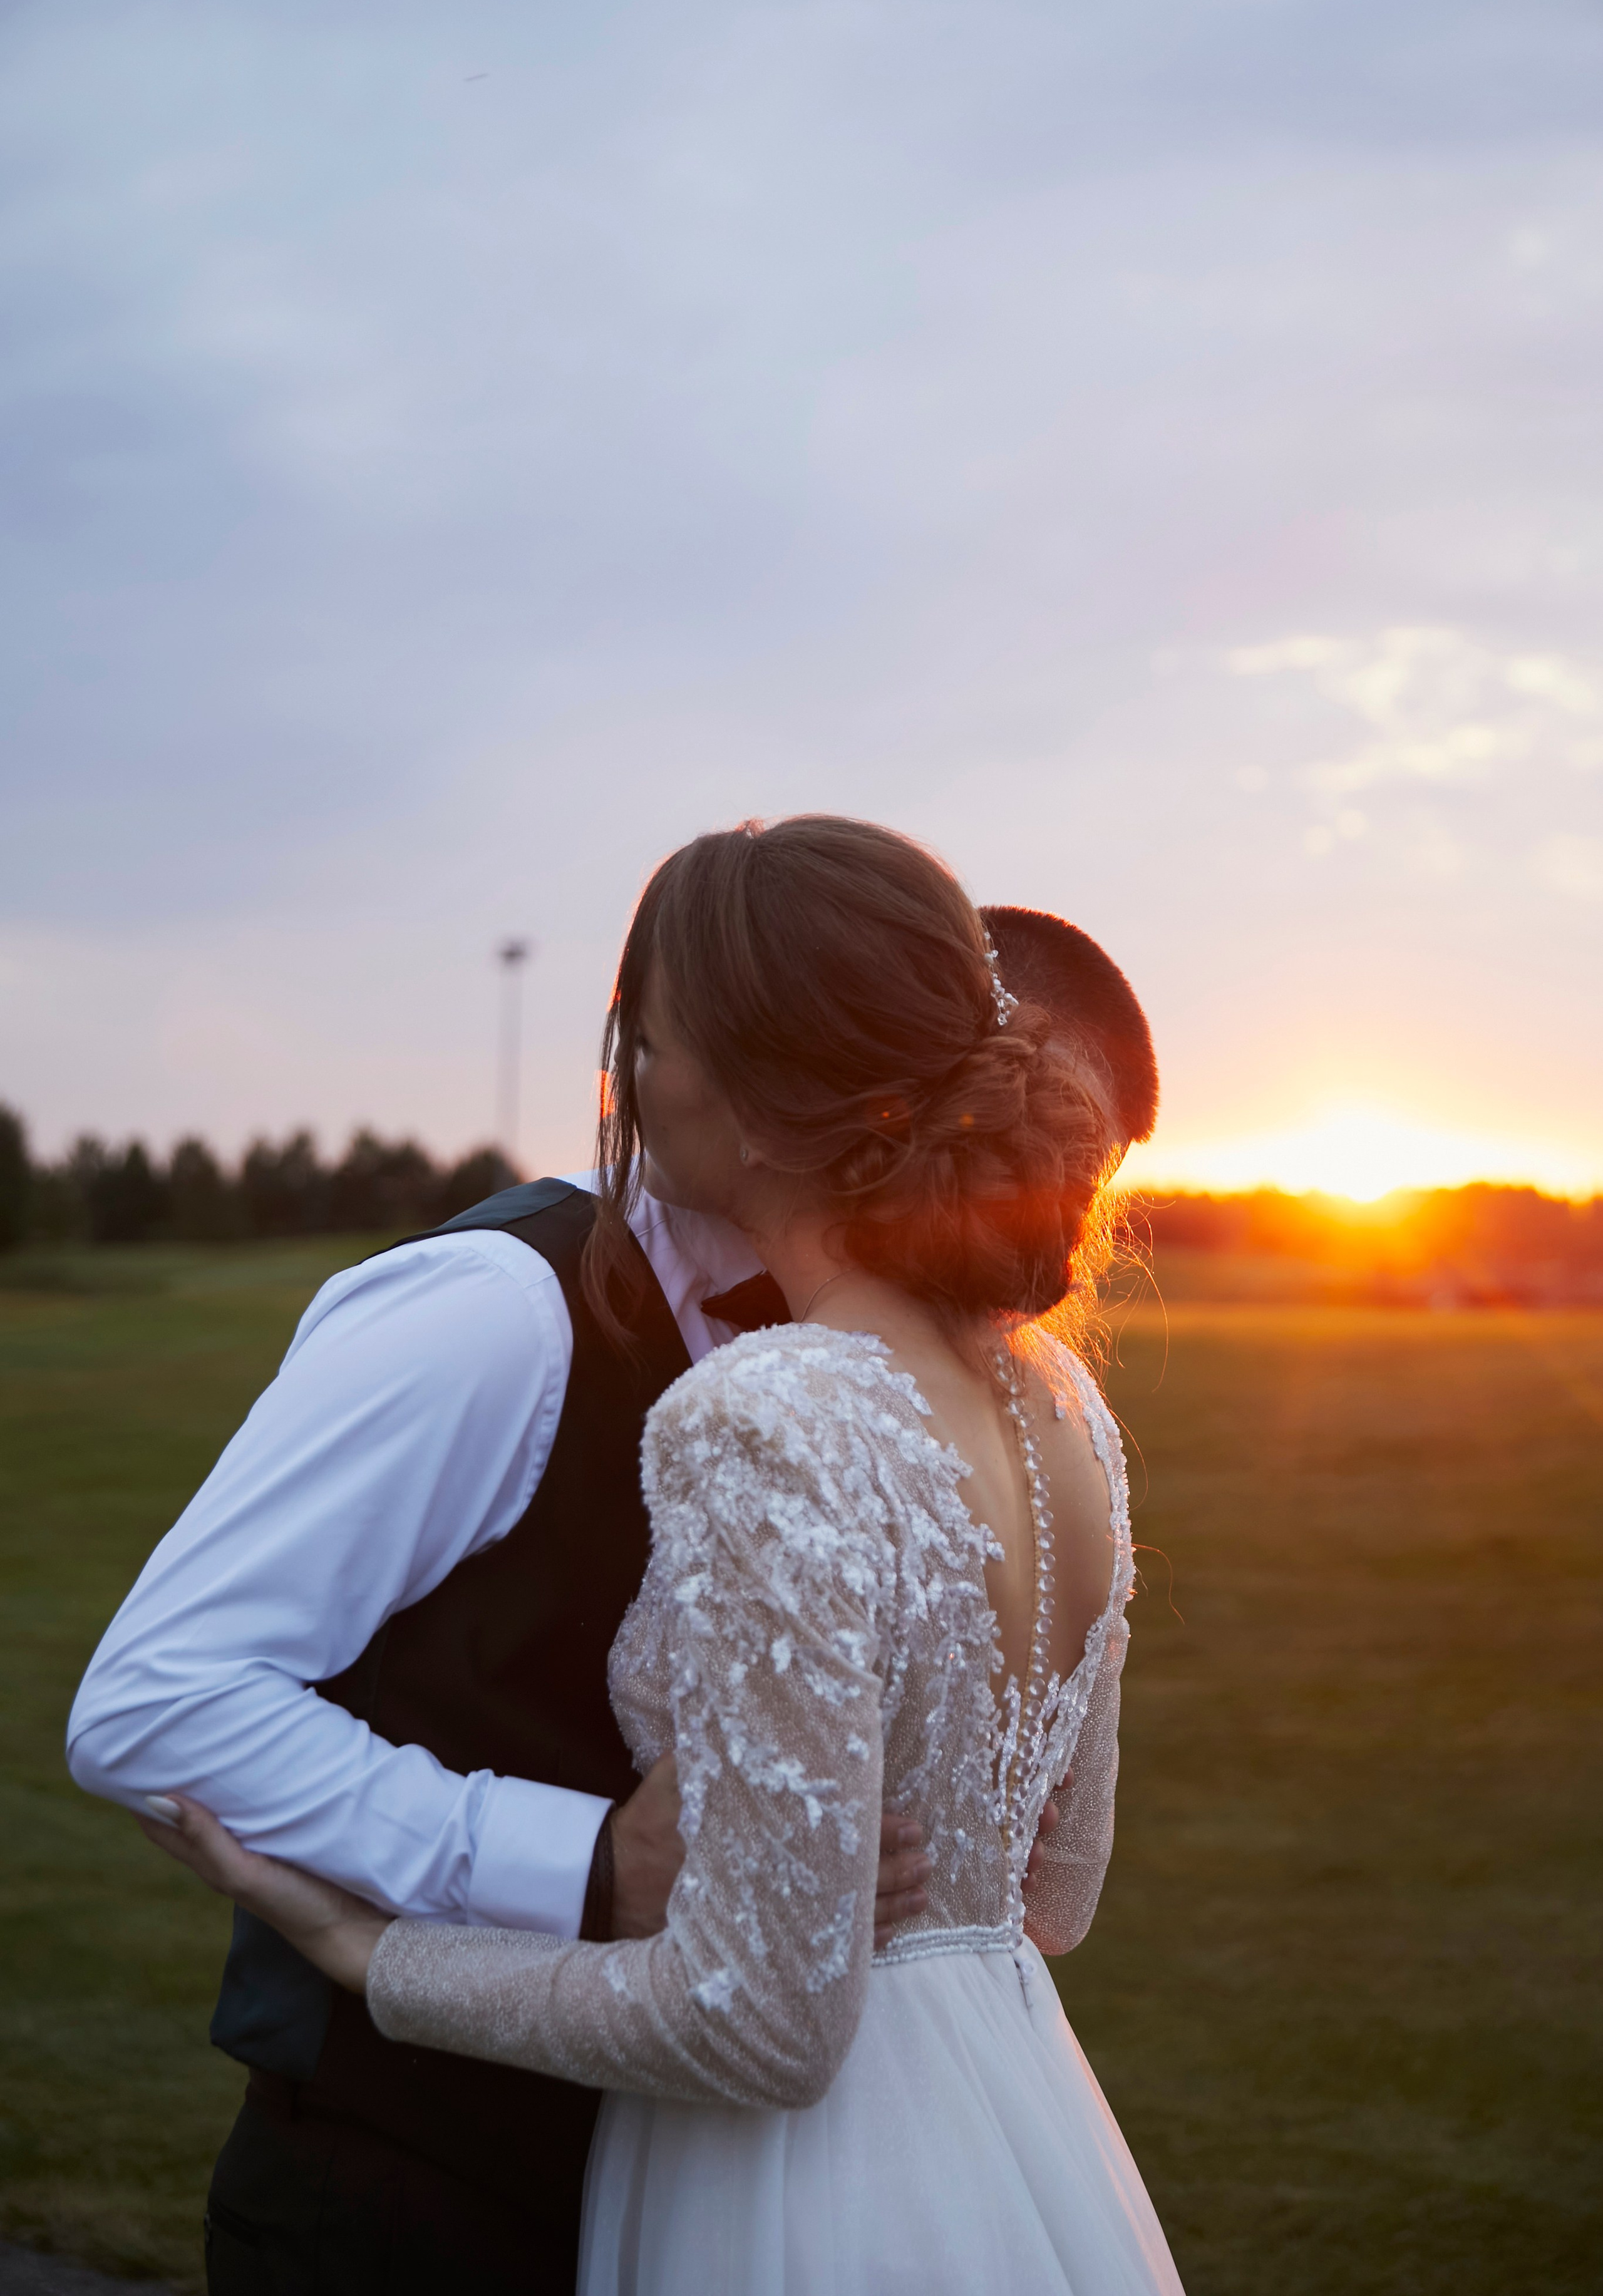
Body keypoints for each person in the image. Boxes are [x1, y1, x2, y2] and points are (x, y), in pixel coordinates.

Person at [133, 815, 1183, 2295]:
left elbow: (757, 2021)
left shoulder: (761, 1408)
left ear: (760, 1104)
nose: (626, 1075)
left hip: (775, 2185)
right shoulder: (1066, 1407)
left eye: (652, 1038)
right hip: (995, 2137)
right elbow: (1050, 1895)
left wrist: (375, 1959)